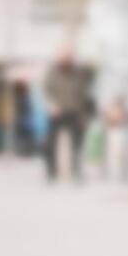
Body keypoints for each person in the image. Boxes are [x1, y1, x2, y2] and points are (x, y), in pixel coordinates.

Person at [44, 50, 90, 180]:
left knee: (77, 144)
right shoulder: (53, 72)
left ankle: (76, 171)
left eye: (69, 58)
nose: (67, 61)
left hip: (74, 112)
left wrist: (83, 114)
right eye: (64, 58)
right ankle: (51, 172)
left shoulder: (78, 73)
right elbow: (46, 91)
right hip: (57, 112)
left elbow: (83, 93)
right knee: (50, 142)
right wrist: (52, 105)